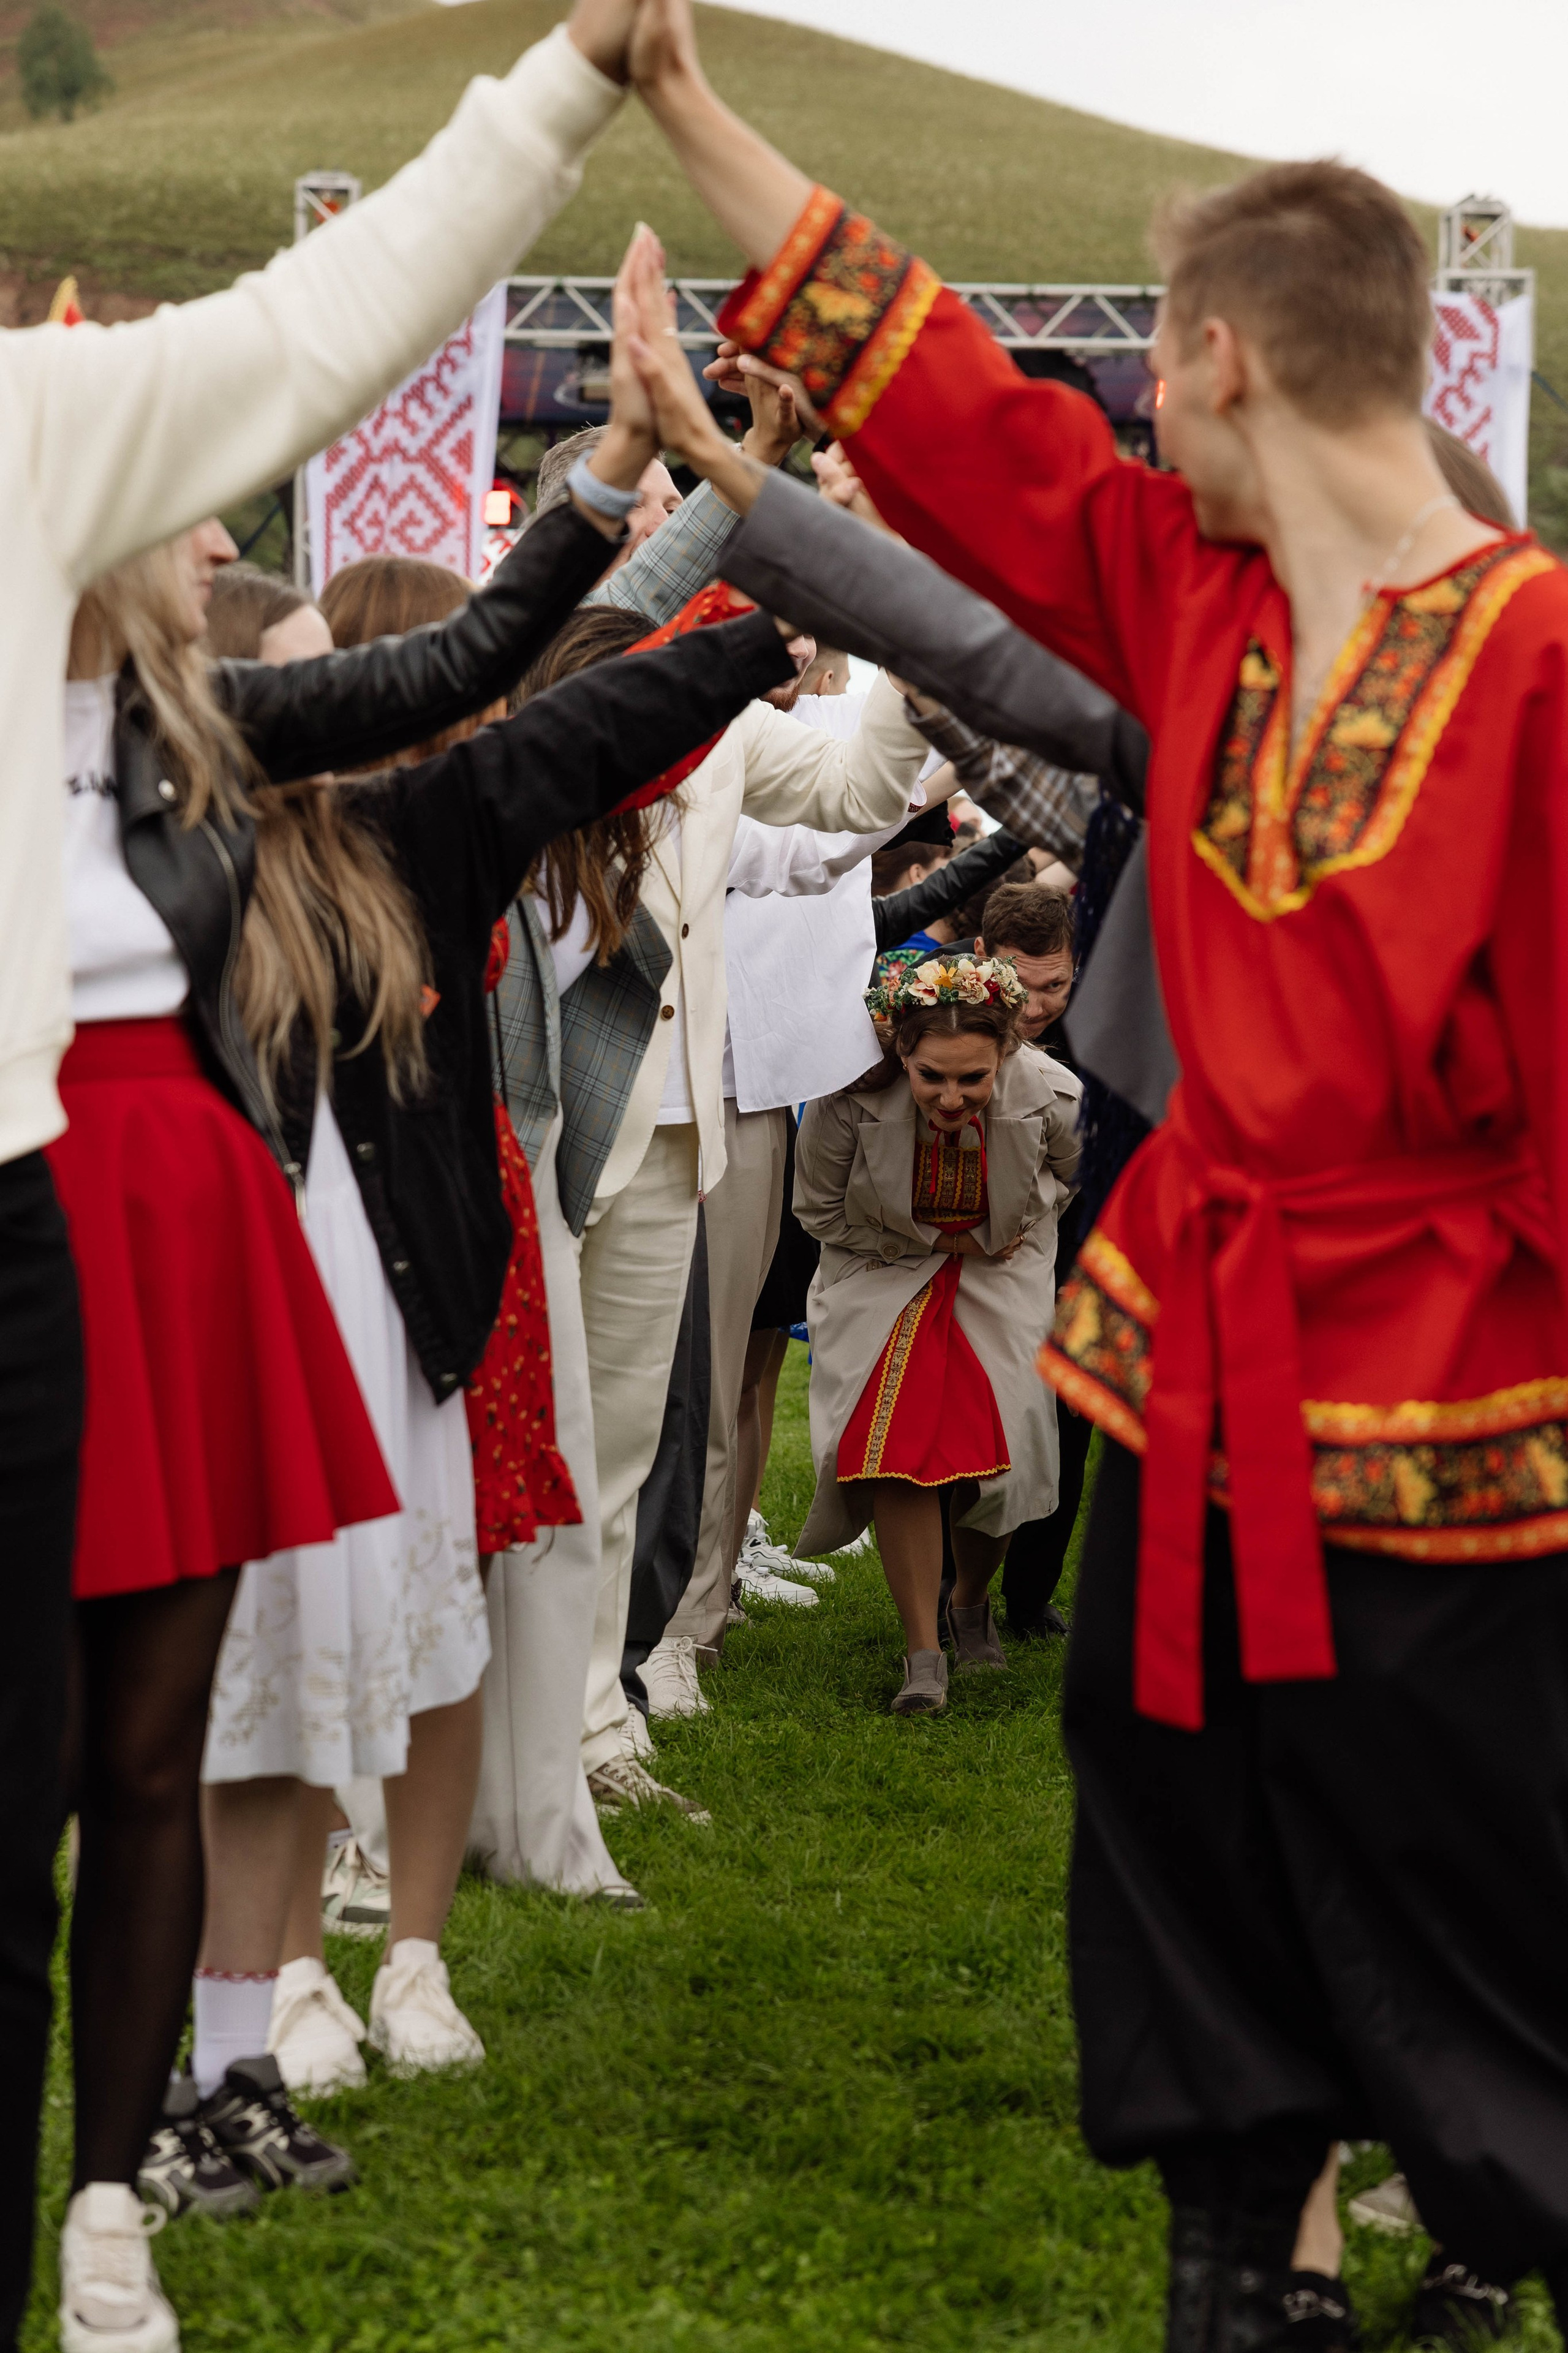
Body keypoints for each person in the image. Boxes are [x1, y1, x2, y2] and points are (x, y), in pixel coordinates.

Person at [625, 10, 1568, 2340]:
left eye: (1151, 365)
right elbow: (955, 411)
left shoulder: (1536, 664)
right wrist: (676, 99)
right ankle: (1249, 2286)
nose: (1132, 410)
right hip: (1177, 1398)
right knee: (1185, 1908)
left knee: (1484, 1947)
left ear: (1226, 356)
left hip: (1437, 1450)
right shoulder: (1201, 597)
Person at [0, 6, 643, 2337]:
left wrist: (635, 502)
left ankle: (118, 2199)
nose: (187, 517)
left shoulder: (203, 732)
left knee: (159, 1740)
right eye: (165, 495)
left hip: (144, 1234)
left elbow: (475, 657)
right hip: (39, 1199)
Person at [791, 954, 1080, 1712]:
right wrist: (935, 1239)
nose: (951, 1097)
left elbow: (1078, 1170)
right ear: (900, 1055)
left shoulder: (1054, 1094)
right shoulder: (845, 1101)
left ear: (1005, 1055)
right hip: (881, 1272)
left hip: (1000, 1273)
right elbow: (818, 1211)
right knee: (892, 1448)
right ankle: (924, 1653)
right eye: (930, 1078)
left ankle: (971, 1603)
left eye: (972, 1080)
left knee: (1006, 1454)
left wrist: (1007, 1226)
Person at [971, 882, 1090, 1639]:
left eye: (1057, 985)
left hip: (1075, 1247)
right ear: (982, 959)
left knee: (1068, 1417)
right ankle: (960, 1588)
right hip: (977, 1249)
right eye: (1024, 983)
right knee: (981, 1418)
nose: (1041, 1005)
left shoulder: (1098, 1034)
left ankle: (1031, 1592)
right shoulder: (944, 1015)